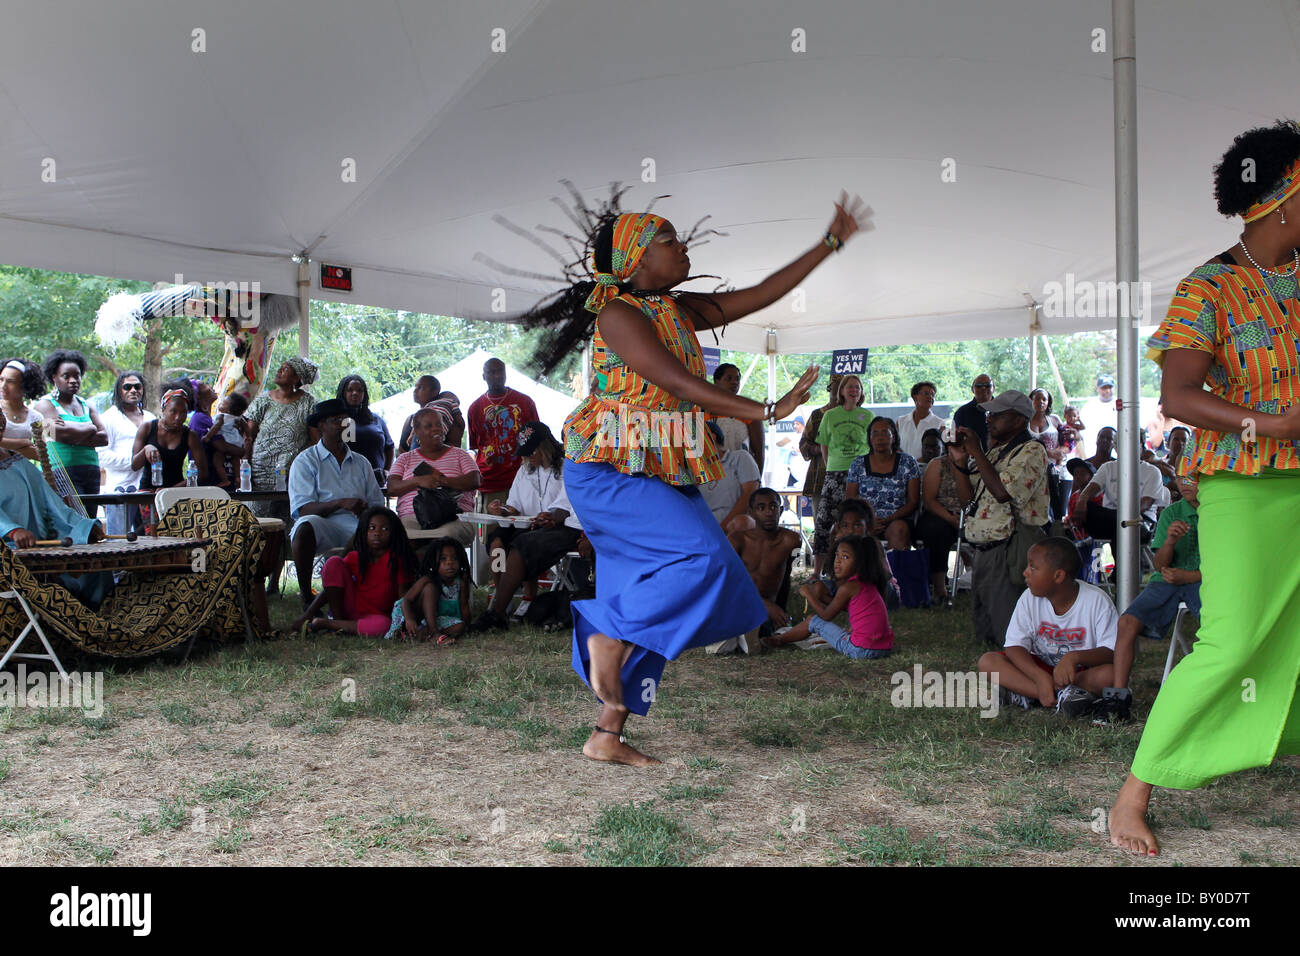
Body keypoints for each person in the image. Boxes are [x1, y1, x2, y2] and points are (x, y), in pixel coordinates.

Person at [524, 192, 866, 766]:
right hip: (610, 472)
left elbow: (761, 294)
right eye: (670, 241)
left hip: (660, 467)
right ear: (635, 259)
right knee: (705, 564)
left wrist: (828, 244)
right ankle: (608, 634)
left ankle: (607, 732)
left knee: (670, 595)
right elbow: (679, 385)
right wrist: (766, 410)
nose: (684, 248)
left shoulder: (678, 310)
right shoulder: (618, 314)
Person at [1109, 121, 1300, 857]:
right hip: (1248, 483)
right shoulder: (1209, 286)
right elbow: (1181, 396)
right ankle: (1135, 791)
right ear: (1284, 198)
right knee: (1230, 640)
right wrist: (1272, 424)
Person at [1092, 474, 1201, 725]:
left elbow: (1226, 566)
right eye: (1181, 477)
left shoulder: (1219, 512)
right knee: (1127, 622)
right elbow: (1160, 566)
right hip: (1168, 580)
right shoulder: (1173, 512)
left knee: (1216, 628)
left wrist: (1190, 575)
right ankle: (1118, 699)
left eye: (1192, 478)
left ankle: (1210, 692)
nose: (1185, 483)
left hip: (1206, 579)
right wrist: (1171, 542)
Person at [949, 389, 1050, 647]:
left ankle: (1015, 678)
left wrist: (977, 452)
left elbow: (1003, 493)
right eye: (988, 414)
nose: (988, 420)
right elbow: (967, 502)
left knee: (1009, 632)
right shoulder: (996, 453)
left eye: (996, 415)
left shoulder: (1032, 451)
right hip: (983, 548)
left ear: (1018, 419)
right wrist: (960, 462)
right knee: (986, 631)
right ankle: (996, 672)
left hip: (1008, 548)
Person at [977, 537, 1117, 714]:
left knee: (1111, 675)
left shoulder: (1097, 601)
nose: (1025, 572)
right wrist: (1039, 676)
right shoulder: (1029, 597)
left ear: (1058, 576)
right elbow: (1014, 646)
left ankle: (1029, 694)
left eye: (1033, 568)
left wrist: (1074, 658)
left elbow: (1111, 651)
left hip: (1078, 673)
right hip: (1039, 667)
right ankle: (1060, 697)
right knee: (988, 662)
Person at [472, 421, 581, 631]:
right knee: (496, 543)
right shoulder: (525, 470)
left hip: (554, 524)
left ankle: (507, 607)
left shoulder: (567, 466)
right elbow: (514, 506)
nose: (528, 458)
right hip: (526, 522)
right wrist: (501, 509)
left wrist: (552, 516)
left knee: (523, 545)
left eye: (532, 452)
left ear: (544, 448)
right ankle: (502, 597)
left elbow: (565, 505)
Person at [0, 421, 113, 608]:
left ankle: (95, 622)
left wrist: (83, 526)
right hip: (8, 551)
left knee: (95, 564)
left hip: (39, 543)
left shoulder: (18, 460)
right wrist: (13, 531)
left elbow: (51, 502)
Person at [288, 398, 386, 607]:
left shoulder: (361, 462)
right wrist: (340, 503)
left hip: (358, 524)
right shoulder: (306, 461)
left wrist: (365, 511)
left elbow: (378, 503)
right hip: (325, 524)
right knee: (304, 527)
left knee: (382, 529)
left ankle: (375, 595)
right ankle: (307, 596)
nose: (344, 424)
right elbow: (303, 508)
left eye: (346, 419)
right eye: (336, 420)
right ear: (321, 426)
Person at [244, 356, 318, 593]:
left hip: (291, 476)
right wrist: (243, 465)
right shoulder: (264, 399)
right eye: (282, 366)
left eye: (287, 369)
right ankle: (254, 579)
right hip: (259, 473)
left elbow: (315, 440)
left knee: (282, 528)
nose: (280, 370)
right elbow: (249, 435)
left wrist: (302, 464)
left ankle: (274, 583)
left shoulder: (308, 403)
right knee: (257, 527)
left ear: (297, 378)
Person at [292, 506, 415, 636]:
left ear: (394, 532)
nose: (377, 533)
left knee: (383, 625)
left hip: (378, 616)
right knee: (334, 562)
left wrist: (407, 619)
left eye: (385, 529)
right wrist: (307, 615)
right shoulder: (356, 557)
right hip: (352, 609)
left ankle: (328, 624)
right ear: (363, 531)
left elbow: (403, 596)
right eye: (371, 528)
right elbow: (331, 587)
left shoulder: (397, 560)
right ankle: (339, 622)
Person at [767, 534, 894, 658]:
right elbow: (846, 608)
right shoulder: (866, 584)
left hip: (859, 650)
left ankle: (779, 640)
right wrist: (823, 598)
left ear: (860, 563)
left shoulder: (848, 587)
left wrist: (808, 594)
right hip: (883, 649)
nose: (838, 560)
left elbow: (826, 616)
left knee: (813, 621)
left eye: (845, 557)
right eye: (837, 555)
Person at [386, 405, 480, 545]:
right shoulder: (405, 458)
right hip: (412, 518)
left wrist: (441, 481)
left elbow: (475, 480)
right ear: (417, 431)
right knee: (401, 535)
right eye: (428, 426)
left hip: (453, 518)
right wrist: (418, 481)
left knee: (445, 537)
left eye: (438, 424)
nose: (436, 428)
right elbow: (392, 488)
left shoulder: (460, 455)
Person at [812, 374, 874, 574]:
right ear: (842, 391)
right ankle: (818, 571)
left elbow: (871, 445)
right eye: (850, 387)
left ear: (861, 392)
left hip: (860, 473)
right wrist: (832, 464)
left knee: (858, 520)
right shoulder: (830, 415)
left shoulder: (867, 416)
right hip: (834, 474)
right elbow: (824, 444)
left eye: (857, 387)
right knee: (824, 521)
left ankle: (860, 567)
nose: (854, 390)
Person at [726, 488, 803, 645]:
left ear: (780, 510)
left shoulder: (791, 540)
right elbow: (728, 583)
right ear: (751, 512)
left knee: (767, 631)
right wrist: (765, 604)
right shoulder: (737, 540)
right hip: (739, 604)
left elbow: (785, 578)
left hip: (766, 613)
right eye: (761, 508)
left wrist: (780, 611)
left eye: (773, 507)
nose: (768, 512)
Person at [32, 350, 106, 504]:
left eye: (77, 376)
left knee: (91, 521)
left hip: (91, 469)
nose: (73, 380)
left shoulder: (87, 405)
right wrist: (90, 428)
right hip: (61, 470)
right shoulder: (44, 404)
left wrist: (72, 435)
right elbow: (57, 434)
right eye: (66, 376)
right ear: (54, 377)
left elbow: (104, 438)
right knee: (74, 519)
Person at [467, 357, 539, 509]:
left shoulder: (524, 402)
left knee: (524, 527)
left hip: (523, 477)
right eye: (491, 372)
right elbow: (476, 445)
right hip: (490, 481)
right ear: (483, 376)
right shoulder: (475, 408)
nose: (497, 376)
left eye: (500, 371)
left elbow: (538, 439)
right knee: (491, 529)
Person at [845, 417, 920, 551]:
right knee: (845, 529)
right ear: (869, 438)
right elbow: (851, 500)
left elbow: (913, 502)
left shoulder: (908, 462)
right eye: (875, 433)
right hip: (865, 519)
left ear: (894, 437)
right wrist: (869, 520)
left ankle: (895, 571)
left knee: (899, 530)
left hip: (897, 519)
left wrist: (889, 519)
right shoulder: (858, 464)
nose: (880, 438)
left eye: (885, 433)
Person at [99, 371, 155, 534]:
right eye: (127, 387)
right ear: (119, 391)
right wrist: (135, 461)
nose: (133, 390)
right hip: (120, 489)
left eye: (137, 386)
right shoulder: (109, 418)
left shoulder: (150, 417)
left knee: (150, 539)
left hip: (147, 489)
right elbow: (102, 456)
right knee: (118, 539)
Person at [1069, 446, 1164, 542]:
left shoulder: (1152, 471)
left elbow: (1144, 504)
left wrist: (1121, 518)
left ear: (1142, 448)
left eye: (1134, 443)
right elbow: (1090, 489)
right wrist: (1082, 500)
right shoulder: (1107, 467)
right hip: (1111, 517)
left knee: (1126, 526)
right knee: (1089, 507)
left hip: (1140, 519)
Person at [390, 536, 470, 644]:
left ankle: (419, 635)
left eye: (455, 558)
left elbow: (464, 606)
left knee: (459, 626)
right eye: (443, 559)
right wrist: (409, 619)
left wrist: (466, 626)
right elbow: (406, 600)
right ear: (434, 562)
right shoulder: (427, 580)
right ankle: (433, 633)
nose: (449, 562)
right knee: (430, 588)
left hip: (437, 618)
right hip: (411, 613)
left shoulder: (461, 582)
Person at [133, 382, 207, 494]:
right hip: (147, 494)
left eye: (183, 413)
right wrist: (146, 449)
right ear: (163, 410)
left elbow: (202, 473)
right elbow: (134, 465)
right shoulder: (147, 428)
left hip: (175, 493)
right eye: (173, 412)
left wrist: (171, 490)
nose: (178, 417)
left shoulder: (190, 435)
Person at [916, 433, 964, 601]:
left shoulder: (976, 465)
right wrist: (951, 518)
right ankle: (939, 588)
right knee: (937, 531)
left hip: (967, 513)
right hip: (939, 513)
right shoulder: (937, 464)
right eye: (955, 446)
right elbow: (929, 500)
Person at [799, 373, 843, 541]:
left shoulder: (851, 415)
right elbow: (803, 443)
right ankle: (824, 565)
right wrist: (821, 449)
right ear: (829, 389)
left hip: (846, 478)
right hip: (821, 477)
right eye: (835, 387)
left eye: (842, 387)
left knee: (845, 524)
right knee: (822, 525)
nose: (838, 391)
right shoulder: (818, 415)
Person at [698, 419, 761, 533]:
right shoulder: (695, 471)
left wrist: (723, 527)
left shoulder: (739, 458)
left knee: (741, 522)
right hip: (706, 530)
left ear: (711, 436)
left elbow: (750, 495)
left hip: (735, 528)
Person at [337, 374, 394, 485]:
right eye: (350, 390)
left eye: (359, 390)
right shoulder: (338, 421)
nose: (355, 393)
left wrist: (387, 470)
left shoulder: (376, 420)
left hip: (376, 481)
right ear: (343, 393)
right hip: (347, 482)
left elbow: (389, 447)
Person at [711, 363, 765, 472]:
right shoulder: (703, 409)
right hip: (711, 474)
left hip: (741, 474)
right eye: (729, 378)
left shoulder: (749, 409)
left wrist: (756, 480)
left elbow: (759, 451)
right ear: (716, 381)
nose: (734, 382)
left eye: (737, 379)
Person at [1028, 387, 1068, 522]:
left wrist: (1061, 452)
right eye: (1037, 398)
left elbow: (1068, 442)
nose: (1041, 402)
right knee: (1040, 509)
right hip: (1034, 471)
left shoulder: (1054, 420)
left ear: (1048, 402)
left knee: (1059, 510)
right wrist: (1048, 452)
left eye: (1044, 399)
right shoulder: (1024, 422)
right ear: (1031, 401)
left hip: (1057, 469)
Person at [202, 391, 249, 488]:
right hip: (237, 442)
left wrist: (208, 436)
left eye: (223, 403)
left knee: (217, 461)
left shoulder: (221, 416)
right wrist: (249, 436)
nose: (220, 403)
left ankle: (225, 480)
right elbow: (246, 426)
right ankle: (237, 477)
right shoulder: (239, 418)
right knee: (235, 460)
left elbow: (216, 426)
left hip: (225, 441)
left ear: (228, 410)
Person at [0, 358, 44, 461]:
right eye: (1, 379)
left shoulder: (37, 417)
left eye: (11, 382)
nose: (3, 386)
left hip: (21, 473)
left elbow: (44, 455)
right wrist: (24, 443)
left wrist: (4, 445)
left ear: (25, 386)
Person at [897, 381, 945, 461]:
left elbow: (941, 451)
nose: (930, 397)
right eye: (926, 393)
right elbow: (894, 445)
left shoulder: (940, 423)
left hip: (928, 468)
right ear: (915, 397)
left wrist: (916, 463)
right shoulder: (900, 421)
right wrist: (907, 462)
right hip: (903, 467)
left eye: (933, 395)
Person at [398, 375, 440, 454]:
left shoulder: (440, 418)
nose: (415, 391)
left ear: (435, 392)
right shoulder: (410, 418)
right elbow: (401, 449)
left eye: (421, 388)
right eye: (415, 387)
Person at [1078, 375, 1117, 459]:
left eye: (1110, 387)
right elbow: (1080, 434)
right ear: (1098, 389)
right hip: (1092, 455)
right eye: (1104, 388)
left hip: (1116, 457)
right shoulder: (1089, 406)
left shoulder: (1120, 405)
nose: (1107, 391)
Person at [953, 373, 993, 451]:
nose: (983, 388)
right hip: (971, 458)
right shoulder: (962, 412)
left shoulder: (1001, 411)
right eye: (979, 386)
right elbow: (957, 441)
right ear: (972, 389)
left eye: (987, 385)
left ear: (993, 388)